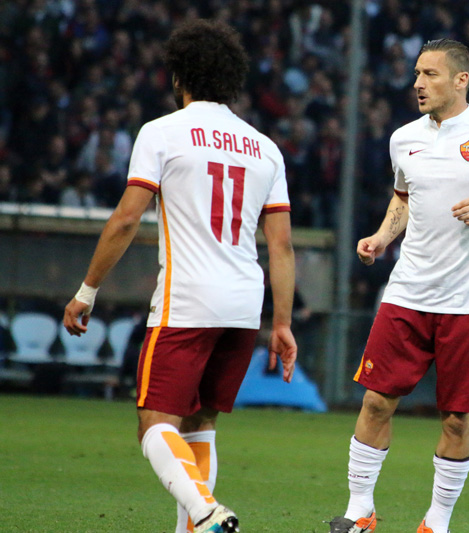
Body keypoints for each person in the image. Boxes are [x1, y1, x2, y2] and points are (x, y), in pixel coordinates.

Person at [62, 20, 297, 533]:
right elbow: (279, 245)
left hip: (187, 299)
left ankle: (207, 511)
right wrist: (282, 322)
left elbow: (126, 219)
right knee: (201, 422)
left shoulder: (162, 132)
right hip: (244, 304)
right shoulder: (264, 148)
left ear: (178, 77)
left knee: (153, 423)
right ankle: (195, 525)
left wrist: (87, 290)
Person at [328, 39, 469, 533]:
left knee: (456, 418)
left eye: (429, 74)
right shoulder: (403, 138)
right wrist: (383, 236)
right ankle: (359, 510)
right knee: (375, 401)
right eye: (416, 74)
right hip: (407, 293)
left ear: (460, 80)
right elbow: (404, 198)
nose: (418, 84)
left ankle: (436, 522)